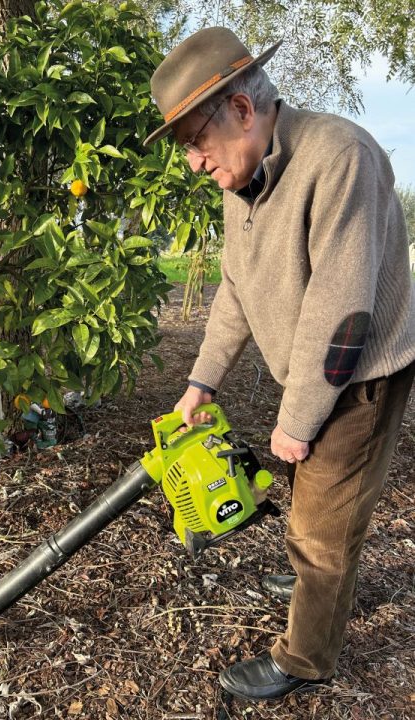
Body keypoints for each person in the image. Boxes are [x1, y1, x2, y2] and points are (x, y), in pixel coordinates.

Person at [144, 27, 415, 702]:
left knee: (325, 524)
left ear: (241, 109)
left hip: (361, 371)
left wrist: (295, 422)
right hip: (317, 369)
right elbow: (235, 289)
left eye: (193, 143)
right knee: (307, 487)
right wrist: (200, 380)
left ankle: (306, 657)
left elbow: (342, 312)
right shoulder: (244, 181)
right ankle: (308, 577)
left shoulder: (337, 157)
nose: (193, 165)